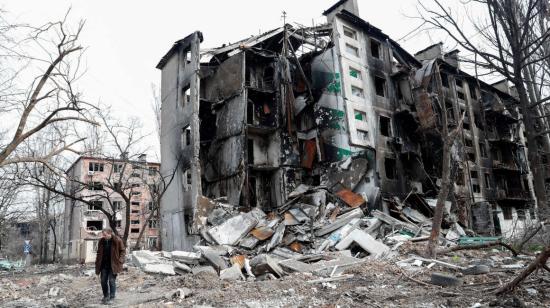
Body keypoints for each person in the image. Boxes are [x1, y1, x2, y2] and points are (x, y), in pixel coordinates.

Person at [95, 227, 125, 304]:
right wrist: (97, 264)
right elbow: (98, 253)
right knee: (103, 281)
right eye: (103, 235)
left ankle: (112, 297)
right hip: (104, 265)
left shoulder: (117, 240)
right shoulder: (101, 241)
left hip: (113, 265)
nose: (104, 236)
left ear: (110, 233)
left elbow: (123, 251)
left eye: (105, 235)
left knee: (111, 281)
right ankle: (106, 296)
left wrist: (120, 260)